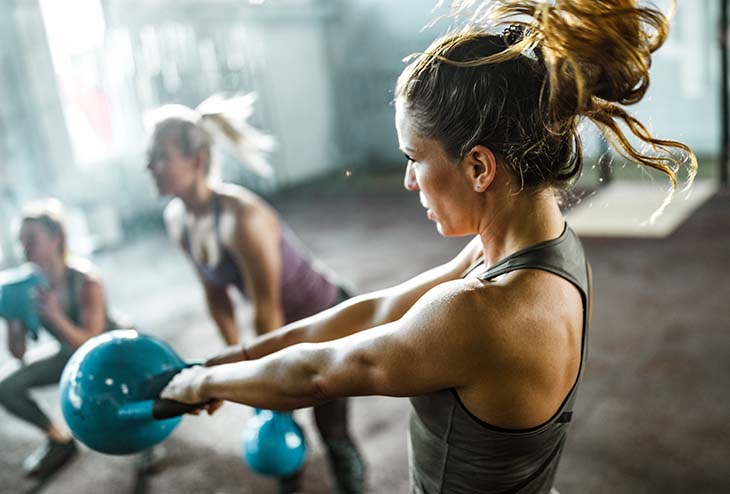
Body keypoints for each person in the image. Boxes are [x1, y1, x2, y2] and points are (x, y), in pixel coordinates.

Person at [161, 1, 697, 493]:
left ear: (479, 167)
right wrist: (233, 359)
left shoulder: (480, 313)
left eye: (415, 157)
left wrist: (202, 382)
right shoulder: (545, 250)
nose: (410, 181)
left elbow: (318, 373)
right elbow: (378, 309)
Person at [145, 94, 366, 494]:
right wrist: (235, 364)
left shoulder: (241, 218)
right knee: (277, 424)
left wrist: (256, 378)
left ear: (196, 160)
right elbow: (216, 297)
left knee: (331, 429)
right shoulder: (177, 218)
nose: (149, 166)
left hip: (325, 316)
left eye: (160, 156)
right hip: (278, 321)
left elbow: (267, 312)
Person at [0, 199, 122, 478]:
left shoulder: (85, 279)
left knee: (115, 399)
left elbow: (90, 342)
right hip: (70, 355)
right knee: (5, 387)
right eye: (21, 241)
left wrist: (53, 315)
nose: (24, 249)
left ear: (56, 239)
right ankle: (59, 439)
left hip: (110, 354)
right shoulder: (27, 286)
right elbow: (18, 353)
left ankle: (146, 442)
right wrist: (10, 318)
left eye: (31, 240)